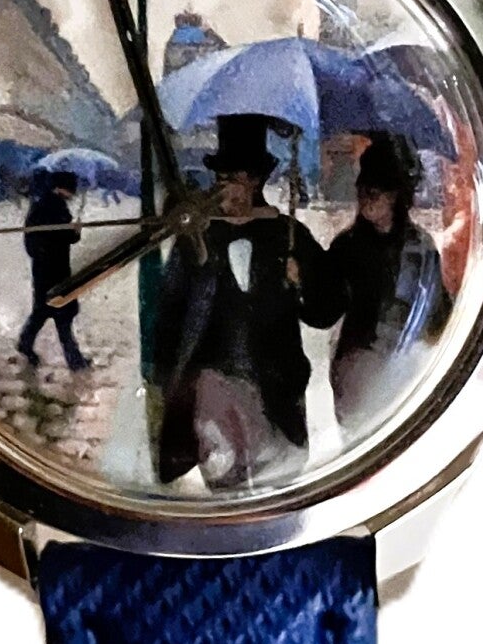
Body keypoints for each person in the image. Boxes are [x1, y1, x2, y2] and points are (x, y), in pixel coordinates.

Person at [153, 114, 346, 489]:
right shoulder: (197, 237)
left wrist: (303, 279)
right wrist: (165, 380)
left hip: (277, 390)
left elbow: (325, 312)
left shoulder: (288, 235)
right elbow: (171, 310)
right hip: (213, 386)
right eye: (221, 178)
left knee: (280, 478)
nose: (225, 189)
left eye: (235, 178)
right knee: (224, 478)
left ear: (256, 180)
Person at [327, 135, 453, 427]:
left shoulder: (420, 248)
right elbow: (324, 312)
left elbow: (438, 316)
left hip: (406, 374)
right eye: (362, 190)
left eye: (374, 191)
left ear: (395, 196)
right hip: (355, 377)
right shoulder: (346, 246)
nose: (365, 198)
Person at [17, 170, 88, 369]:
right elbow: (64, 237)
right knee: (60, 314)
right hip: (55, 269)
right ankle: (75, 361)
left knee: (44, 311)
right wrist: (75, 231)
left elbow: (35, 240)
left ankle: (26, 344)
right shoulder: (56, 207)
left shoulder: (41, 205)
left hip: (43, 268)